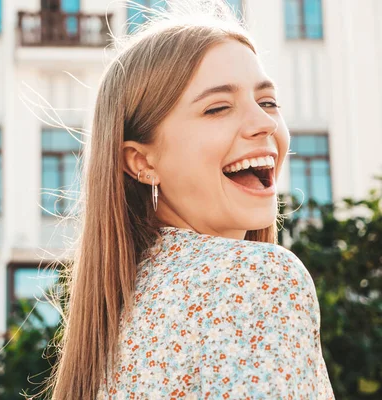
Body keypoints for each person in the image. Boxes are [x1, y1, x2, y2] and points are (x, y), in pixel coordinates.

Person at [46, 1, 335, 398]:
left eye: (268, 102)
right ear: (142, 161)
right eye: (218, 108)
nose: (265, 122)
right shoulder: (256, 280)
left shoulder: (118, 310)